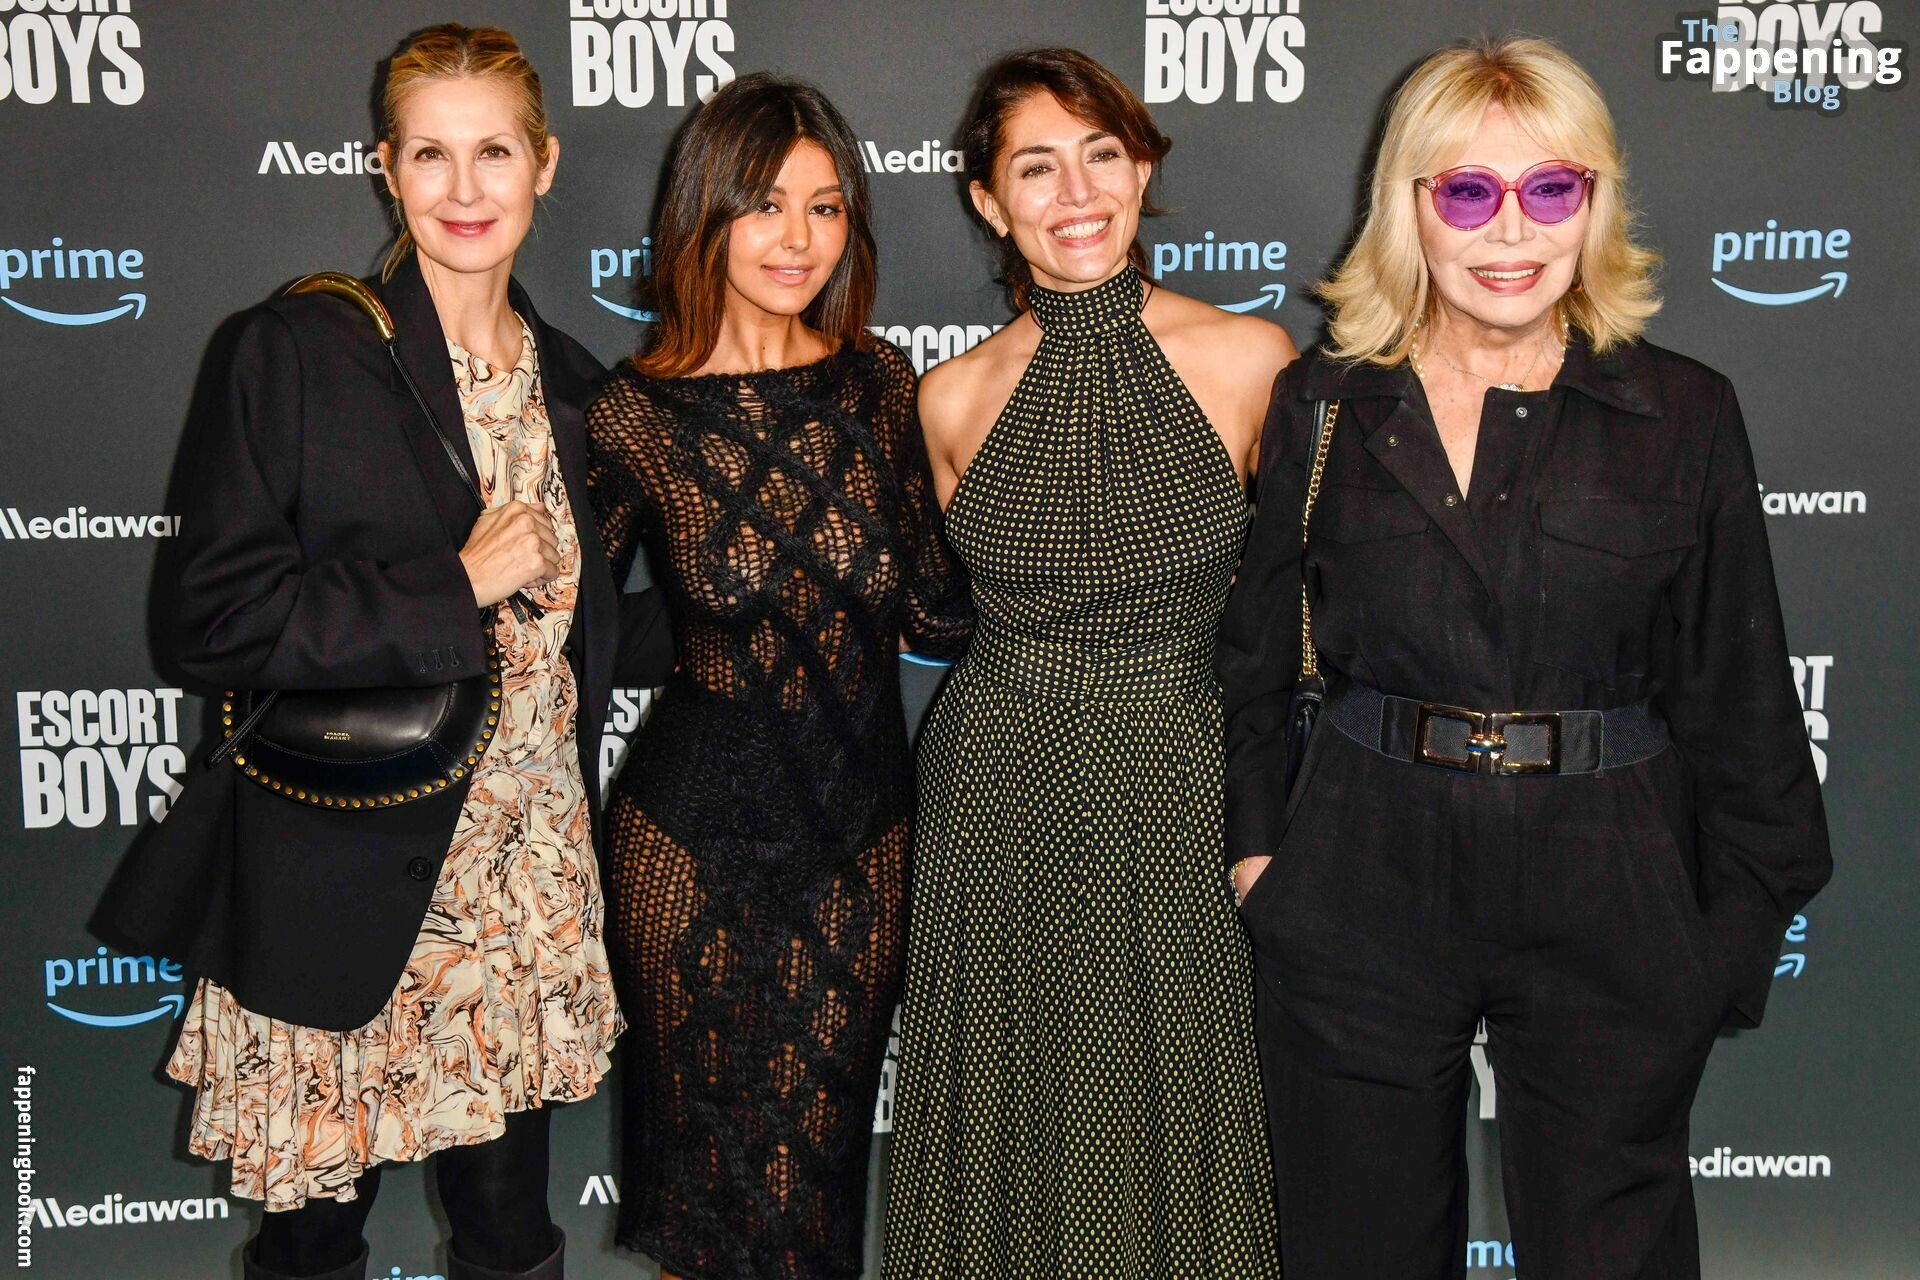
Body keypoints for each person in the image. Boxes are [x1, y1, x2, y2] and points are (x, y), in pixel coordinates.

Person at [1218, 36, 1833, 1280]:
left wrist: (1721, 937)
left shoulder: (1684, 411)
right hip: (1362, 868)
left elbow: (1742, 692)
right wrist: (1264, 863)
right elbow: (1256, 661)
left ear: (1594, 203)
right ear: (1411, 209)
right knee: (1357, 1249)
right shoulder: (1325, 403)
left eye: (1551, 187)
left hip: (1610, 872)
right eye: (1468, 190)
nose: (1512, 228)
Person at [92, 24, 648, 1280]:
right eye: (430, 155)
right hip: (340, 871)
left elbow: (589, 629)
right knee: (313, 1241)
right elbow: (212, 618)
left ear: (545, 163)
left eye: (494, 151)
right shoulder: (297, 348)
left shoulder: (577, 387)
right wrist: (453, 584)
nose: (465, 189)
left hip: (523, 886)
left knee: (513, 1232)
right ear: (385, 169)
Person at [882, 48, 1297, 1279]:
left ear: (1144, 169)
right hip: (995, 790)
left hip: (1182, 778)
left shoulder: (1251, 359)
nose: (1076, 194)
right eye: (1036, 168)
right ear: (988, 200)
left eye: (1101, 155)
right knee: (1005, 1112)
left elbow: (1295, 619)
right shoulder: (949, 397)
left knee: (1182, 1105)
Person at [584, 73, 970, 1280]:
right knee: (705, 1205)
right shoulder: (633, 415)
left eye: (826, 206)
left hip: (859, 840)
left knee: (815, 1191)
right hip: (690, 839)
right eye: (764, 204)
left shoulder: (882, 385)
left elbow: (939, 610)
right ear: (705, 212)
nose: (798, 238)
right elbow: (573, 632)